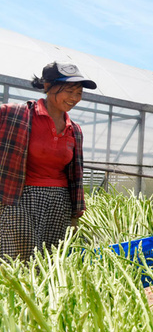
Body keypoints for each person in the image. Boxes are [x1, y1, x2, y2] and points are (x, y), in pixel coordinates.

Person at [0, 61, 96, 261]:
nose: (74, 98)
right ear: (47, 86)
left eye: (78, 92)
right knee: (17, 260)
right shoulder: (16, 114)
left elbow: (75, 174)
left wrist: (74, 213)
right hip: (19, 198)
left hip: (58, 202)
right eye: (69, 90)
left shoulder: (74, 129)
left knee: (50, 260)